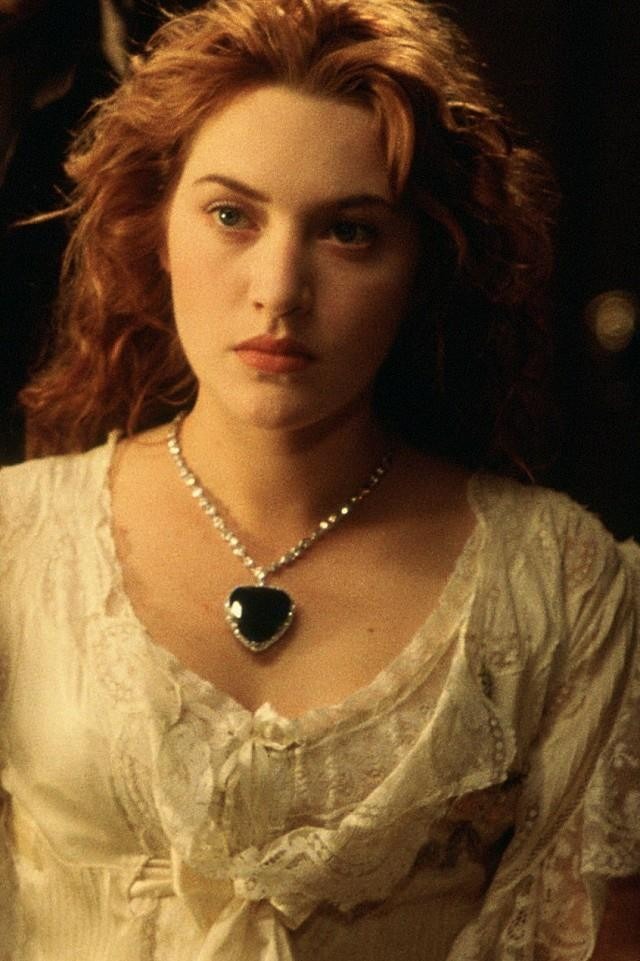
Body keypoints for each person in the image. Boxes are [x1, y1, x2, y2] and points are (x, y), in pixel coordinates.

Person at [0, 0, 638, 958]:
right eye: (231, 215)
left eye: (348, 231)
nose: (279, 290)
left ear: (423, 264)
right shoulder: (16, 544)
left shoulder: (559, 581)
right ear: (158, 228)